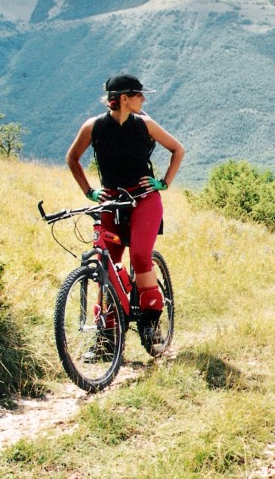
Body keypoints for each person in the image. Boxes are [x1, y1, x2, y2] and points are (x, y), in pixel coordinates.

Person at [66, 74, 184, 346]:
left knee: (141, 256)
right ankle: (106, 335)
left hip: (144, 198)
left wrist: (163, 183)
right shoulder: (93, 127)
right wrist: (89, 191)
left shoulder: (145, 124)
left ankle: (151, 323)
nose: (144, 99)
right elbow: (72, 159)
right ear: (123, 99)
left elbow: (177, 149)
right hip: (111, 200)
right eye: (139, 95)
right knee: (107, 263)